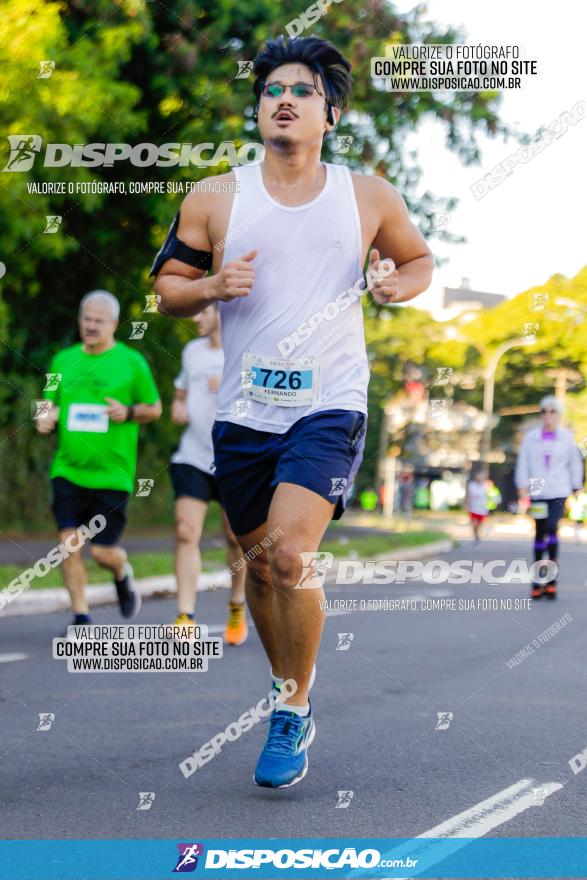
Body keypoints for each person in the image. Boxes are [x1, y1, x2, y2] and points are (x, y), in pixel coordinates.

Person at [153, 35, 433, 787]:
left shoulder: (368, 194)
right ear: (258, 107)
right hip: (244, 411)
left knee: (286, 553)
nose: (284, 98)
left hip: (328, 403)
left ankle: (291, 705)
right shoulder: (215, 196)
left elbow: (417, 263)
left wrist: (391, 286)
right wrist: (209, 289)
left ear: (329, 114)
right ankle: (287, 692)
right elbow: (168, 288)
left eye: (302, 90)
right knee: (256, 565)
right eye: (272, 87)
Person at [37, 290, 162, 630]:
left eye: (98, 321)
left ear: (114, 324)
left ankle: (121, 571)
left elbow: (155, 408)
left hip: (112, 474)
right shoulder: (62, 360)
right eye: (86, 319)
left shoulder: (131, 363)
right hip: (68, 470)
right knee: (68, 544)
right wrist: (43, 417)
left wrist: (129, 411)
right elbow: (47, 401)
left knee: (102, 553)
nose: (91, 326)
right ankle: (81, 617)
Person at [169, 303, 247, 644]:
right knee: (187, 533)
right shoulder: (191, 351)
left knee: (235, 537)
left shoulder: (245, 346)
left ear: (220, 313)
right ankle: (185, 615)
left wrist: (236, 380)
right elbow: (181, 391)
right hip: (194, 456)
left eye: (202, 312)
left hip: (235, 458)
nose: (195, 317)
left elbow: (270, 396)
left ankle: (236, 605)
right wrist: (177, 404)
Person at [515, 396, 583, 599]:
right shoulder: (531, 437)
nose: (548, 415)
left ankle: (552, 579)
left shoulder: (566, 437)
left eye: (552, 411)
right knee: (539, 532)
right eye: (544, 411)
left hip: (559, 489)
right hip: (537, 489)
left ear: (559, 414)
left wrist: (576, 485)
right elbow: (524, 462)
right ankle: (537, 580)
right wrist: (521, 485)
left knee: (553, 528)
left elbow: (575, 463)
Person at [466, 469, 488, 543]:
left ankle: (477, 534)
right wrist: (467, 505)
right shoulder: (471, 485)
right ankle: (476, 535)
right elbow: (468, 495)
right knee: (474, 523)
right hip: (474, 507)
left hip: (482, 508)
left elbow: (488, 496)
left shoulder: (486, 485)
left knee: (480, 523)